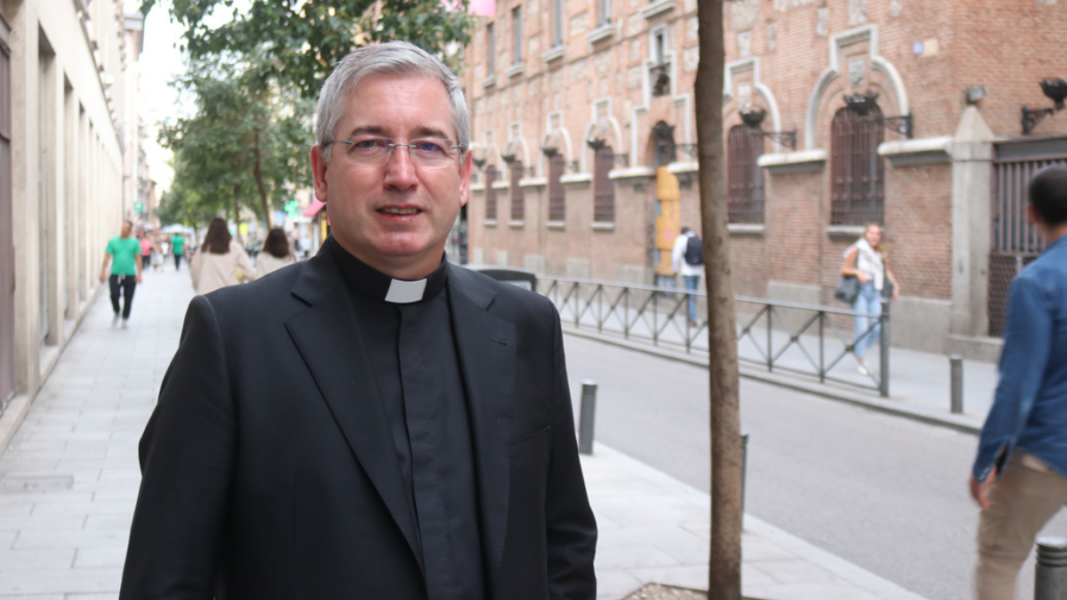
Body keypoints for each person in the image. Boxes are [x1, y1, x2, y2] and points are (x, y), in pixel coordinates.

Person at [119, 41, 597, 600]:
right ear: (322, 173)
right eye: (370, 144)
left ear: (463, 175)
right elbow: (166, 578)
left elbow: (564, 540)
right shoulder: (232, 340)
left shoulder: (527, 326)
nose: (402, 173)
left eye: (428, 145)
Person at [969, 165, 1067, 600]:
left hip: (1048, 449)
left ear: (1031, 213)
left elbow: (1018, 385)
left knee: (1000, 557)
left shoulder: (1037, 281)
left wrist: (985, 460)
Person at [840, 223, 900, 376]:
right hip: (860, 291)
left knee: (878, 326)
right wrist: (857, 272)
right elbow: (845, 269)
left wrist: (895, 286)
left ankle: (858, 347)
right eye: (871, 233)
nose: (874, 236)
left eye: (877, 234)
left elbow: (887, 272)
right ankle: (862, 360)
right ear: (866, 234)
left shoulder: (881, 252)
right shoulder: (857, 249)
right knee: (861, 327)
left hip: (876, 291)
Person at [188, 217, 257, 295]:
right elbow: (250, 274)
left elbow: (194, 272)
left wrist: (199, 286)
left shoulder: (202, 250)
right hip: (230, 296)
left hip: (206, 297)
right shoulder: (235, 249)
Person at [98, 220, 142, 328]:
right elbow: (106, 258)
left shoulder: (134, 243)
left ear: (130, 230)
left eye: (126, 228)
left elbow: (138, 259)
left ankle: (125, 317)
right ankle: (117, 311)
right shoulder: (113, 241)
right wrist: (102, 273)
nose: (124, 230)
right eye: (123, 227)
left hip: (130, 275)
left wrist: (139, 274)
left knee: (128, 298)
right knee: (114, 294)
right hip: (115, 274)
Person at [671, 226, 703, 327]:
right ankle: (692, 316)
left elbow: (675, 256)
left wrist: (675, 269)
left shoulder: (681, 239)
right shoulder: (698, 238)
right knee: (694, 295)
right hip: (698, 271)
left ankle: (692, 319)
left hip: (687, 271)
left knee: (690, 295)